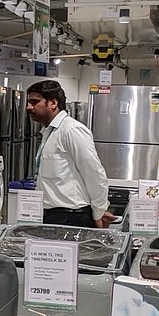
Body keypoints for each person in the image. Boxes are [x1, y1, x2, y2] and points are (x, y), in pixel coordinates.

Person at [25, 79, 113, 228]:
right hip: (52, 216)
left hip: (72, 218)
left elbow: (94, 173)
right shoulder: (49, 132)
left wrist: (99, 211)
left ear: (53, 103)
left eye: (34, 102)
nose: (28, 107)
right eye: (29, 102)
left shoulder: (71, 130)